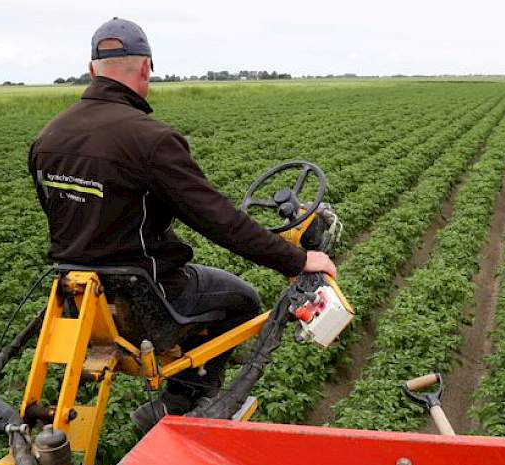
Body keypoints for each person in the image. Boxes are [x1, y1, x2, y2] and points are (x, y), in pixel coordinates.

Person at [27, 17, 336, 432]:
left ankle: (175, 399)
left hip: (78, 299)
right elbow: (218, 220)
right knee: (242, 300)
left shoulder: (47, 138)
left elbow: (58, 214)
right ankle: (183, 401)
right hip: (151, 300)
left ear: (91, 69)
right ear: (145, 69)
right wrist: (297, 260)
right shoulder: (150, 139)